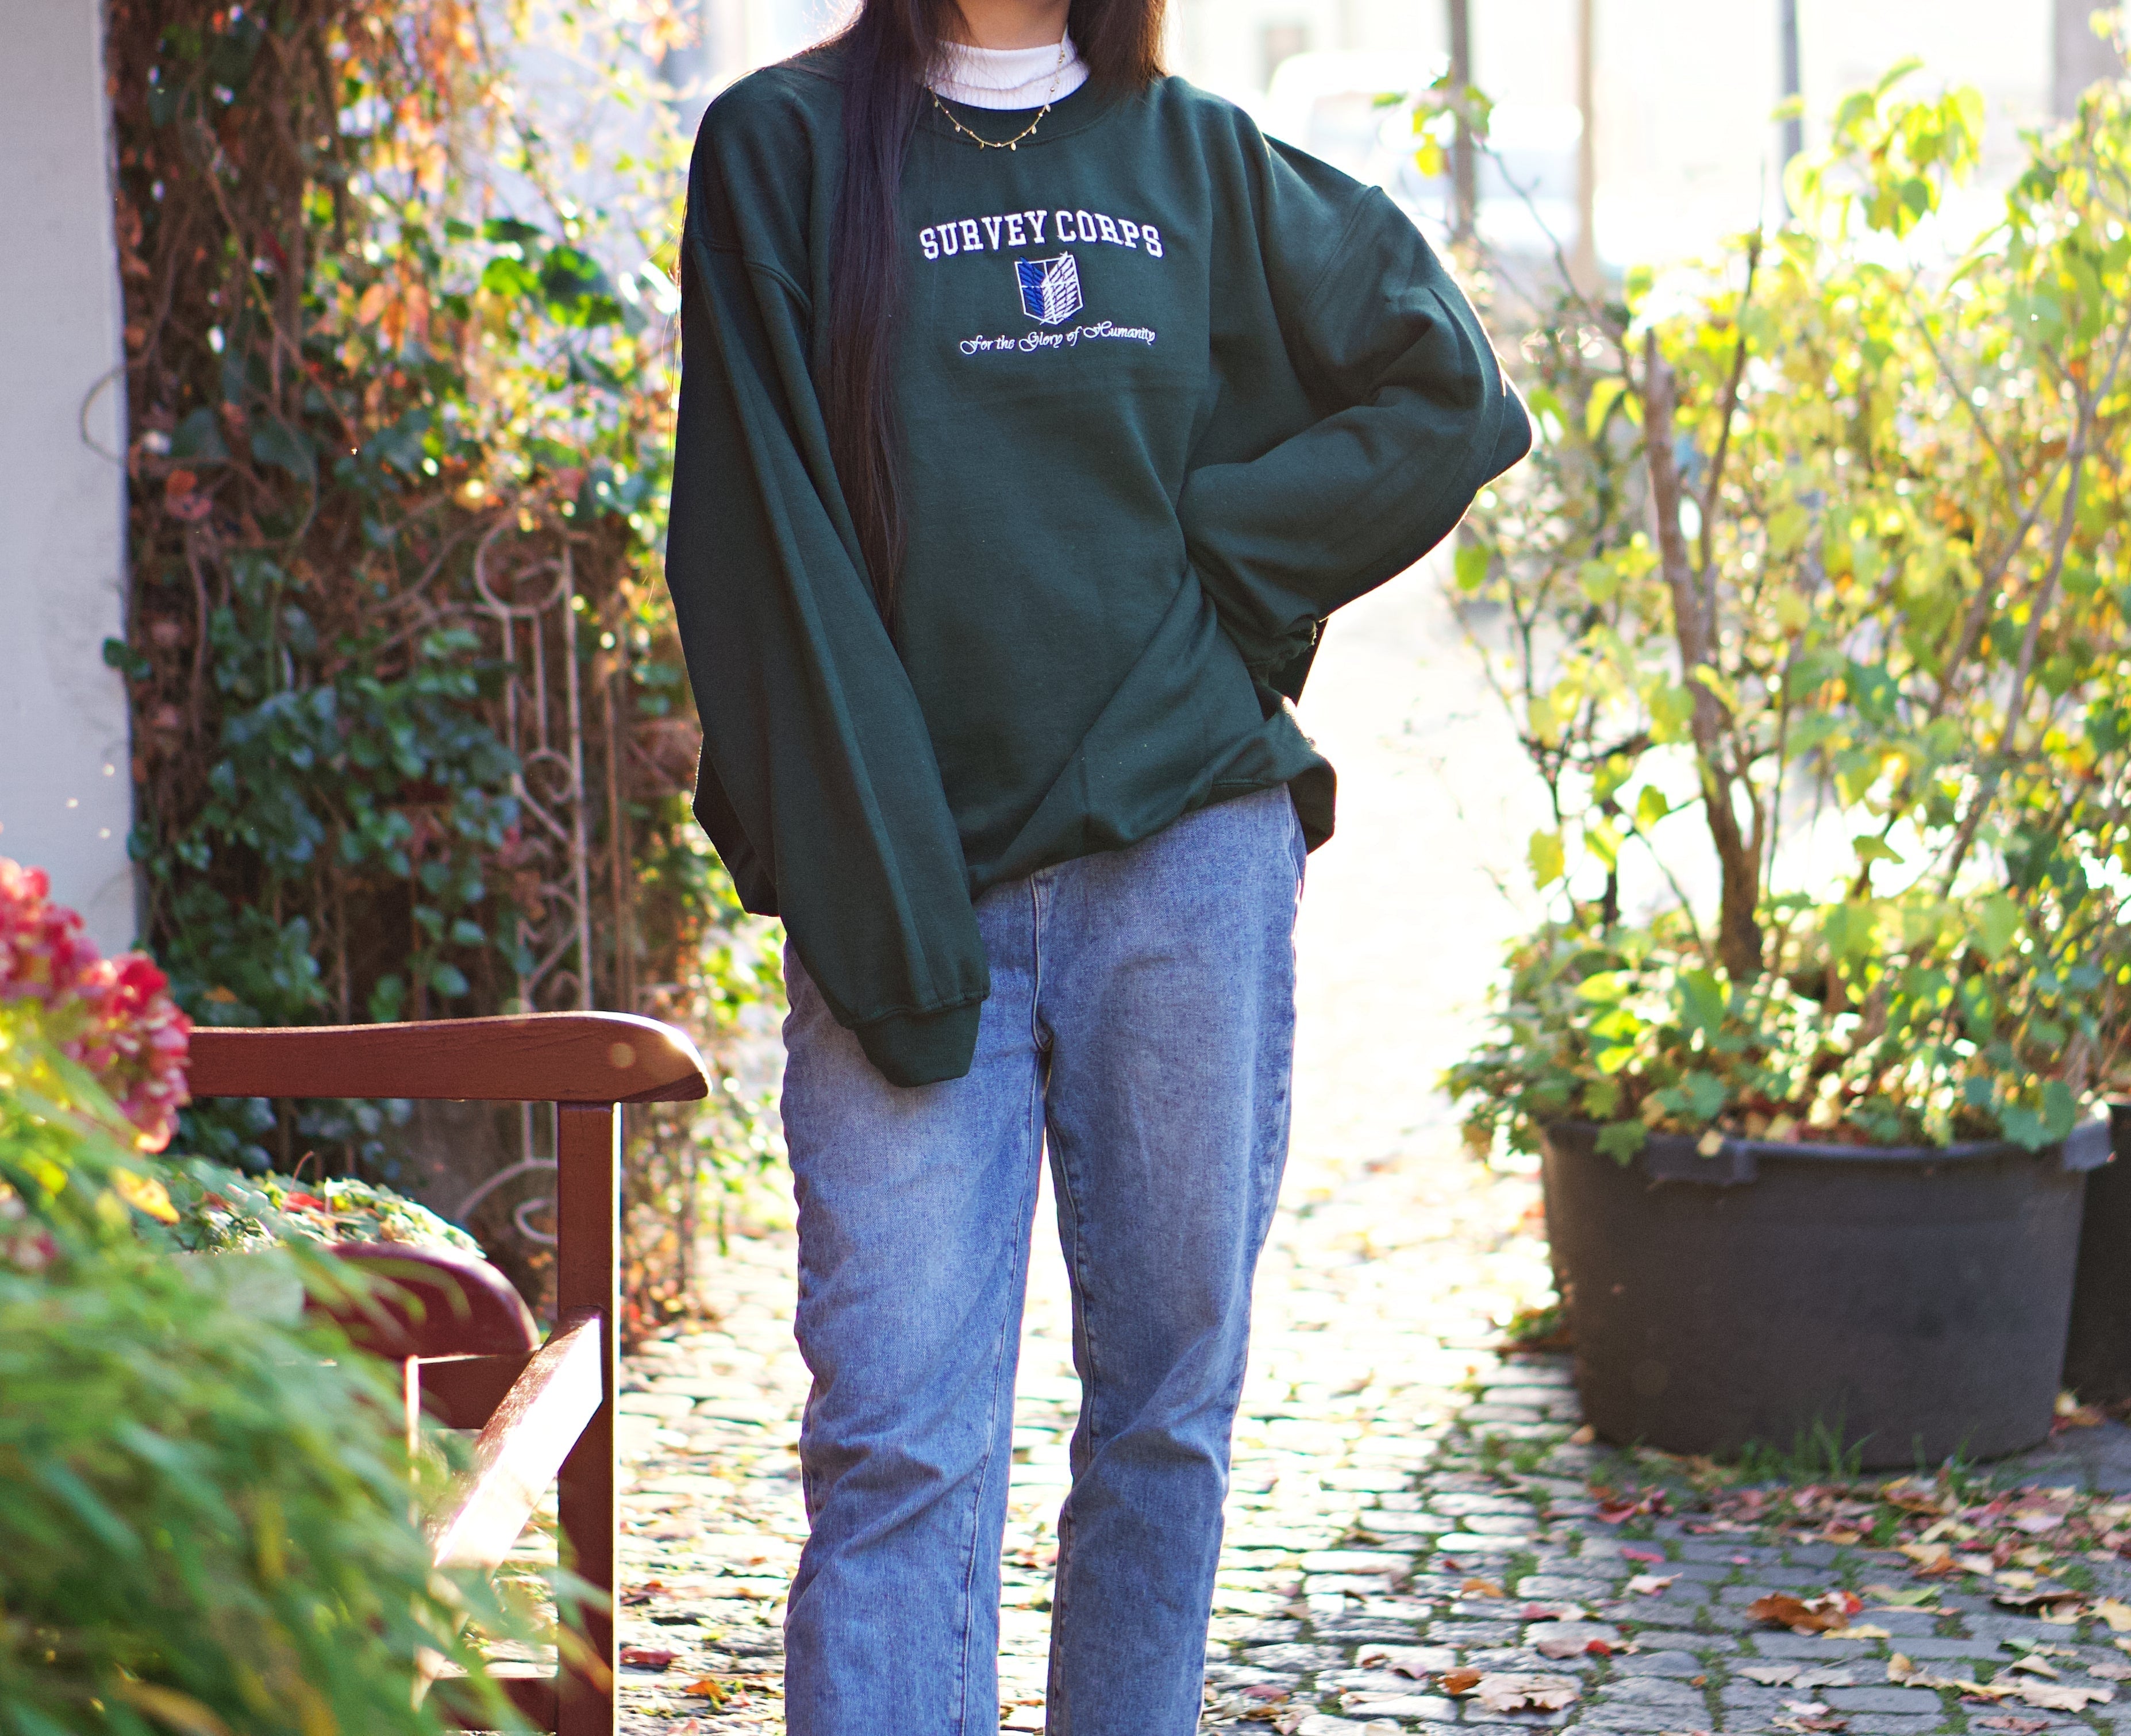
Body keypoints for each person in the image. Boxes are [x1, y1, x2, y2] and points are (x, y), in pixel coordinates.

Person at [662, 0, 1529, 1727]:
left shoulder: (1193, 153)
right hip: (903, 878)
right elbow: (755, 548)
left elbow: (1447, 390)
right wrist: (876, 895)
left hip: (1186, 861)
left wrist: (1221, 564)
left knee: (1162, 1418)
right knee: (895, 1440)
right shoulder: (785, 148)